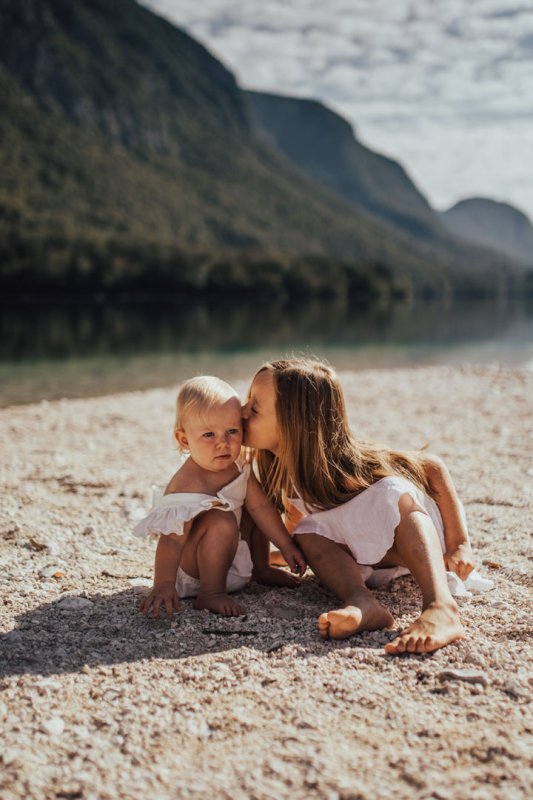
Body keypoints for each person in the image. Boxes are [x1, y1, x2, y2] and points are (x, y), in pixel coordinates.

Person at [242, 357, 476, 654]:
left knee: (391, 491)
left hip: (417, 534)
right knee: (307, 532)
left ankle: (441, 605)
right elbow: (301, 528)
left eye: (254, 408)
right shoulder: (282, 475)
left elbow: (433, 467)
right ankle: (361, 601)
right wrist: (276, 556)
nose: (242, 411)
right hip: (374, 557)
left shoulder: (348, 467)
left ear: (292, 424)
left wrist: (459, 544)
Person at [133, 376, 306, 618]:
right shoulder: (187, 484)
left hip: (230, 555)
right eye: (209, 435)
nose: (223, 443)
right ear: (184, 440)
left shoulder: (238, 465)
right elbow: (172, 541)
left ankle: (262, 568)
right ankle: (210, 594)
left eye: (232, 431)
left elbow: (261, 508)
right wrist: (163, 585)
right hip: (194, 572)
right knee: (221, 519)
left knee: (254, 507)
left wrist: (286, 545)